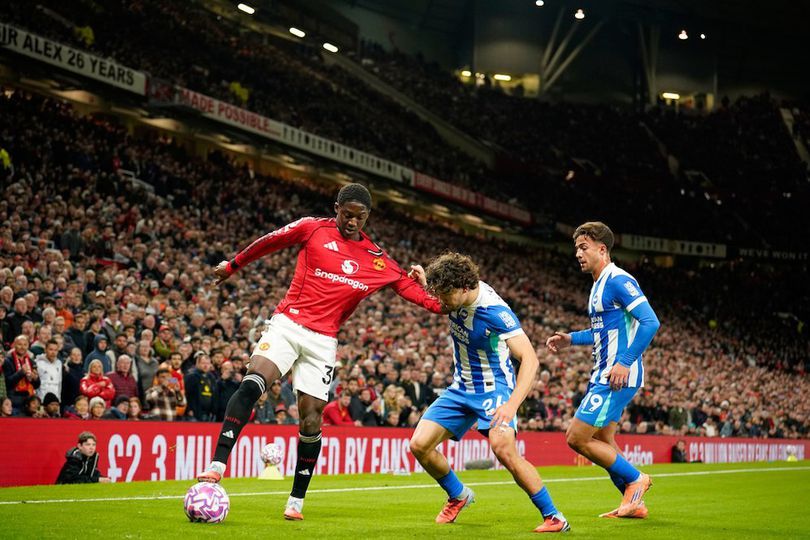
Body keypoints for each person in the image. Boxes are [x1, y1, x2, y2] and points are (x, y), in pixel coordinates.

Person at [197, 184, 443, 522]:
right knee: (253, 383)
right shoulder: (311, 228)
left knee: (311, 418)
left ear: (367, 217)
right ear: (336, 208)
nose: (352, 222)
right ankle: (217, 464)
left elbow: (423, 299)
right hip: (288, 324)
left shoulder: (378, 260)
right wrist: (233, 265)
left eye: (359, 217)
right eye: (347, 214)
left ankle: (296, 501)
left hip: (324, 341)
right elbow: (269, 241)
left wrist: (433, 289)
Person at [409, 252, 569, 533]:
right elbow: (442, 301)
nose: (441, 301)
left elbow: (530, 359)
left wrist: (511, 405)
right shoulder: (455, 294)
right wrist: (425, 284)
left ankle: (554, 516)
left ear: (464, 288)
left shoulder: (494, 312)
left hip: (495, 389)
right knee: (419, 445)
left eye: (445, 295)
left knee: (503, 449)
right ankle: (458, 495)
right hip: (461, 387)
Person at [545, 222, 660, 519]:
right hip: (604, 372)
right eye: (576, 249)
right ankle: (633, 503)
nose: (578, 254)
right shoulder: (598, 285)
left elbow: (650, 322)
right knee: (603, 440)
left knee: (577, 436)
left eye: (583, 248)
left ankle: (636, 479)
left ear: (602, 249)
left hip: (616, 375)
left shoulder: (618, 280)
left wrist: (625, 361)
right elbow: (602, 332)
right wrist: (571, 339)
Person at [3, 335, 40, 414]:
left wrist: (35, 379)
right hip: (14, 403)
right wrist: (21, 373)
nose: (22, 347)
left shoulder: (32, 362)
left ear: (28, 346)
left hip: (28, 403)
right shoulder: (7, 361)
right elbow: (7, 383)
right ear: (14, 345)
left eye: (25, 344)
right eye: (19, 344)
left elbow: (36, 385)